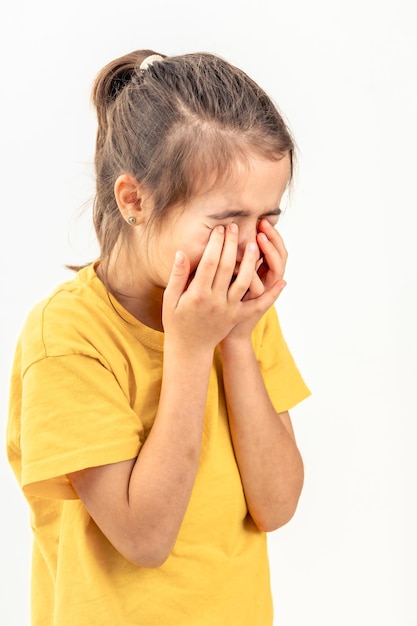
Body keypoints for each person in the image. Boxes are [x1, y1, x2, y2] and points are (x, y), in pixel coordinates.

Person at [7, 49, 310, 625]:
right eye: (225, 222)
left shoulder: (234, 310)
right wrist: (192, 349)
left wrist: (238, 342)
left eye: (267, 218)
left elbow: (276, 505)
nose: (249, 248)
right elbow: (144, 539)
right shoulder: (67, 338)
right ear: (134, 200)